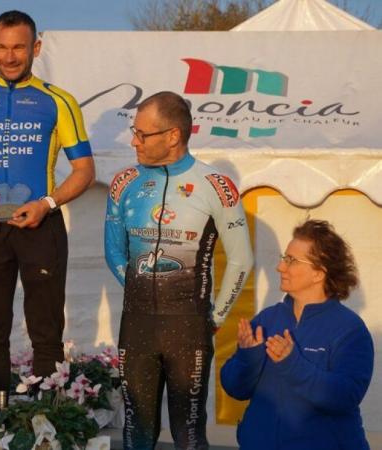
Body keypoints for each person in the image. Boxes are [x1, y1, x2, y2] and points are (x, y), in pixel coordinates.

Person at [0, 10, 95, 403]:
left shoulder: (58, 101)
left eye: (19, 47)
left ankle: (44, 424)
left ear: (36, 48)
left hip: (39, 225)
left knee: (46, 332)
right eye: (2, 47)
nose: (10, 57)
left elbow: (84, 170)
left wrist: (47, 203)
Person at [104, 91, 254, 449]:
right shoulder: (124, 182)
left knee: (188, 434)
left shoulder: (216, 186)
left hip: (189, 326)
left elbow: (241, 259)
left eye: (143, 134)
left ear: (173, 135)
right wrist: (145, 286)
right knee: (135, 432)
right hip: (137, 322)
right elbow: (113, 251)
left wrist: (214, 316)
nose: (133, 140)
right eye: (134, 132)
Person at [221, 220, 373, 450]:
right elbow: (234, 388)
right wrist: (247, 357)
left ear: (318, 273)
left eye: (291, 260)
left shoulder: (350, 330)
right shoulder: (267, 320)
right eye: (284, 257)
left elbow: (344, 397)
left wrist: (292, 363)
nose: (280, 267)